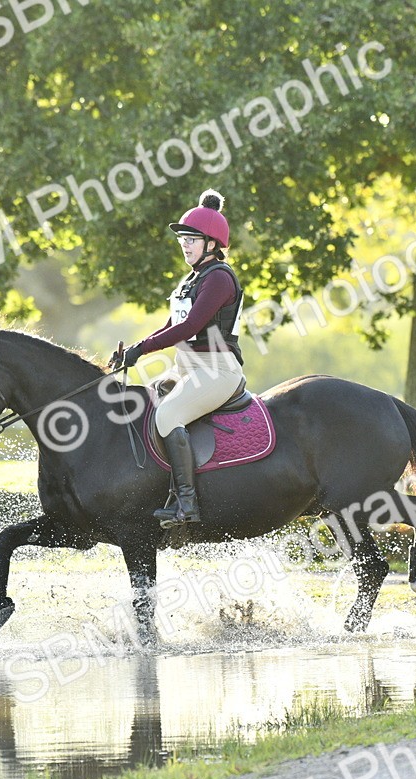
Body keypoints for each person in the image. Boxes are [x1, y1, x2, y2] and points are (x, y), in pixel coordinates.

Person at [112, 189, 245, 526]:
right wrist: (135, 350)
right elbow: (172, 324)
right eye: (183, 239)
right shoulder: (193, 279)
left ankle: (187, 504)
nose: (185, 245)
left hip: (217, 371)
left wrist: (142, 350)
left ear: (212, 244)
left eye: (192, 239)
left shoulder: (218, 278)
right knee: (142, 406)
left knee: (168, 415)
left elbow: (189, 327)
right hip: (186, 368)